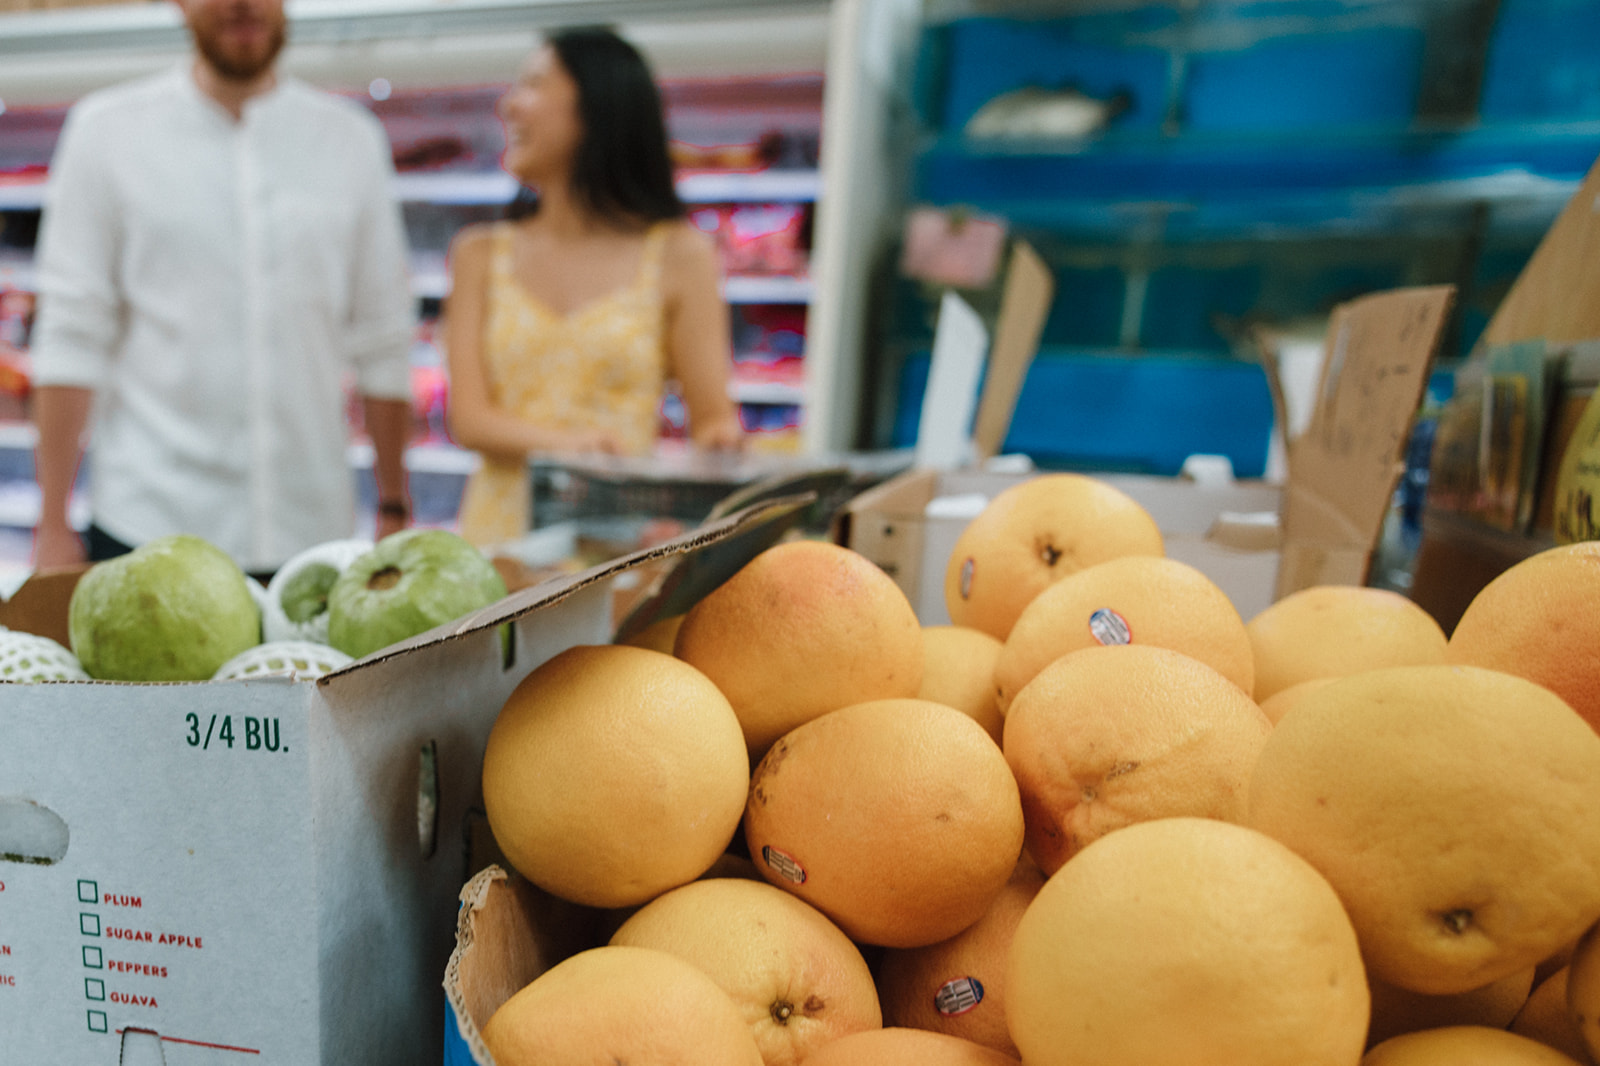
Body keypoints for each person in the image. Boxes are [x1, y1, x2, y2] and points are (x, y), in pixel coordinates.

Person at [29, 0, 415, 578]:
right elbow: (71, 335)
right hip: (146, 528)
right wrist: (52, 522)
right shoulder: (106, 132)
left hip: (311, 536)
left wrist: (393, 503)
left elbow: (383, 336)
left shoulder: (351, 141)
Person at [444, 26, 744, 548]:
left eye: (533, 85)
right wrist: (573, 445)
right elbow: (469, 420)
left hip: (618, 546)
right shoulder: (478, 253)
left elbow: (712, 418)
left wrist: (721, 448)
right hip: (498, 543)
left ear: (599, 103)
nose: (510, 106)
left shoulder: (680, 255)